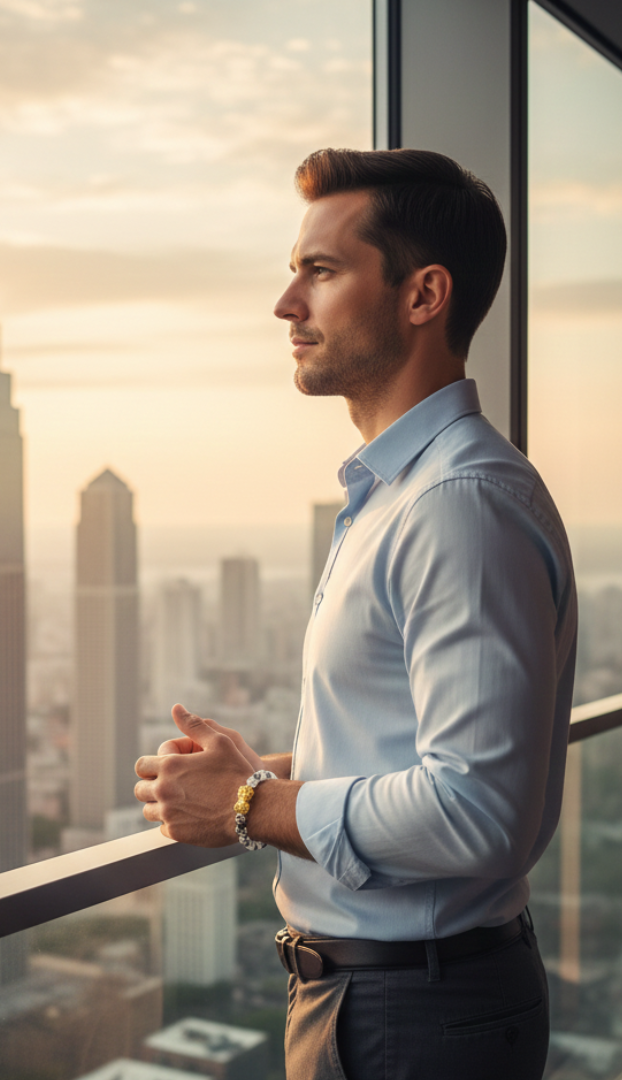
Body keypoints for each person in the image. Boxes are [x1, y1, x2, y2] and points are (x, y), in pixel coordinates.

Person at [134, 148, 578, 1080]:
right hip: (389, 999)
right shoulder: (401, 495)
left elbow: (478, 808)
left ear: (423, 296)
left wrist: (250, 805)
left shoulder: (456, 505)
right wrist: (260, 772)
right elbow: (414, 747)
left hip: (412, 1014)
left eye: (321, 271)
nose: (286, 303)